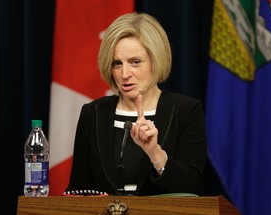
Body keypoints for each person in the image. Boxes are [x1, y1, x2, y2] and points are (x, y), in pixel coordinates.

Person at [64, 12, 207, 196]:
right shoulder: (93, 113)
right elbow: (78, 190)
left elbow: (191, 187)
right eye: (117, 63)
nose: (124, 74)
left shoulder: (185, 110)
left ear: (156, 60)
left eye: (135, 62)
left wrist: (154, 152)